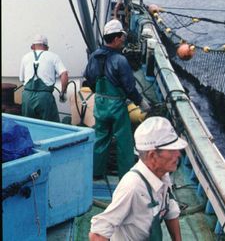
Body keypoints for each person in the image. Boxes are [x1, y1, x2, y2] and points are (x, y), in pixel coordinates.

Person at [89, 116, 186, 241]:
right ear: (152, 156)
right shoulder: (132, 187)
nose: (178, 154)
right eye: (171, 151)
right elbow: (97, 233)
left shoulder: (163, 174)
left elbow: (170, 208)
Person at [84, 19, 151, 179]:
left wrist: (99, 92)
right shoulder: (120, 60)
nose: (123, 39)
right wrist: (141, 102)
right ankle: (126, 176)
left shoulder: (94, 56)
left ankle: (96, 173)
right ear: (115, 39)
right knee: (124, 141)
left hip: (100, 104)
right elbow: (129, 87)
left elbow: (88, 78)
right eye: (121, 36)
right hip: (116, 106)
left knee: (100, 137)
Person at [19, 34, 68, 122]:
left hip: (27, 97)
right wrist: (63, 92)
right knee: (50, 127)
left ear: (33, 46)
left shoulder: (25, 57)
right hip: (45, 97)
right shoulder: (53, 56)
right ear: (46, 47)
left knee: (28, 126)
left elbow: (22, 79)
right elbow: (64, 74)